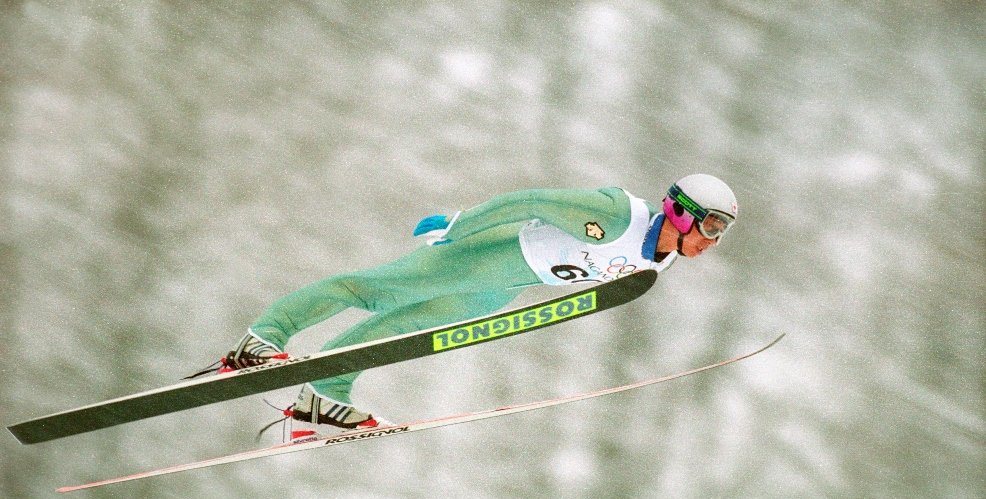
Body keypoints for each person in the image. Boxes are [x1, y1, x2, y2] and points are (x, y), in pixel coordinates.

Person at [217, 173, 738, 437]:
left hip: (507, 284)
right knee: (374, 290)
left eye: (723, 231)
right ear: (682, 211)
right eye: (712, 225)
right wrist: (458, 227)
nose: (714, 240)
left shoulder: (658, 262)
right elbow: (528, 201)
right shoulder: (618, 215)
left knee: (405, 331)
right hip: (490, 252)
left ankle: (323, 393)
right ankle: (263, 338)